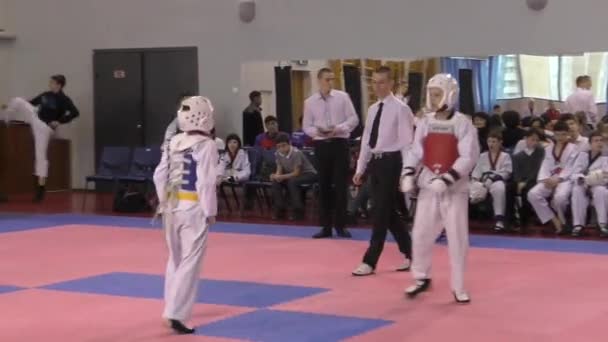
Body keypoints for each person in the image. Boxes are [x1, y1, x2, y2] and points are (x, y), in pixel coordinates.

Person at [400, 73, 479, 304]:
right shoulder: (425, 121)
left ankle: (459, 286)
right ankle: (421, 277)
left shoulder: (462, 123)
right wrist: (407, 173)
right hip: (428, 185)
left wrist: (447, 179)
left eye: (438, 94)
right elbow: (416, 151)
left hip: (454, 190)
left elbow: (468, 157)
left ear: (450, 95)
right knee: (421, 234)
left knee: (457, 239)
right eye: (431, 94)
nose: (433, 99)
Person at [153, 96, 219, 335]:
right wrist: (210, 211)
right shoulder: (207, 144)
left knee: (175, 259)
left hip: (171, 206)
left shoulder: (174, 141)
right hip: (193, 207)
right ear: (204, 117)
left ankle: (170, 306)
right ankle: (176, 314)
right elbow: (206, 181)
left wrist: (162, 203)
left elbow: (159, 175)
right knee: (191, 261)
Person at [351, 66, 413, 276]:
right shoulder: (372, 109)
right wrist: (360, 168)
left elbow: (406, 143)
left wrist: (407, 172)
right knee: (388, 213)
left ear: (391, 84)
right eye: (374, 82)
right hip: (376, 163)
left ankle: (370, 260)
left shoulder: (401, 109)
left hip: (392, 162)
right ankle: (413, 253)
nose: (377, 86)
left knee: (379, 212)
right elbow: (367, 142)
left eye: (382, 82)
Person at [1, 74, 79, 202]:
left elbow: (75, 112)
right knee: (18, 100)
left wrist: (59, 121)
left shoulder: (64, 99)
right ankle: (6, 119)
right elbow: (30, 103)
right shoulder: (45, 95)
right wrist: (11, 107)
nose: (50, 84)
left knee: (40, 156)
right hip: (36, 117)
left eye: (52, 82)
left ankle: (40, 189)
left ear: (59, 85)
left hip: (45, 127)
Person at [303, 67, 359, 238]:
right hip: (321, 145)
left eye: (332, 79)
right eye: (327, 79)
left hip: (339, 142)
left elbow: (354, 119)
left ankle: (341, 225)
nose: (330, 82)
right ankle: (325, 226)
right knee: (324, 185)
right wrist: (318, 132)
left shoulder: (342, 97)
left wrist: (339, 128)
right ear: (319, 80)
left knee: (341, 185)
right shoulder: (310, 102)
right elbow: (306, 126)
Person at [527, 121, 579, 234]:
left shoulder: (574, 148)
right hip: (549, 179)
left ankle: (563, 222)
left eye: (563, 134)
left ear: (568, 134)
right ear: (554, 134)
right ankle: (554, 220)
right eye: (558, 134)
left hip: (565, 179)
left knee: (560, 198)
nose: (560, 137)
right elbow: (545, 165)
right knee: (533, 194)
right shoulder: (548, 149)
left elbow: (571, 167)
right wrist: (545, 179)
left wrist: (559, 179)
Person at [270, 133, 318, 220]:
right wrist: (276, 176)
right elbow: (279, 169)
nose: (281, 149)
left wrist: (282, 177)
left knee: (292, 181)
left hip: (308, 174)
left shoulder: (296, 153)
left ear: (290, 143)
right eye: (279, 146)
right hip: (292, 175)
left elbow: (296, 173)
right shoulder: (277, 153)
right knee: (275, 182)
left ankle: (298, 210)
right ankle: (280, 208)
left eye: (284, 145)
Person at [570, 131, 608, 237]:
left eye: (601, 141)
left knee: (601, 191)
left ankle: (603, 224)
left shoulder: (606, 158)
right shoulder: (583, 156)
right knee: (577, 189)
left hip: (599, 186)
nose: (599, 143)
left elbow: (606, 177)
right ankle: (578, 225)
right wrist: (583, 179)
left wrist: (592, 178)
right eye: (596, 141)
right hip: (584, 184)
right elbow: (574, 173)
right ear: (590, 144)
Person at [509, 129, 545, 232]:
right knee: (509, 189)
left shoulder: (540, 151)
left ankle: (525, 222)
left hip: (534, 180)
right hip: (521, 180)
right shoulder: (518, 156)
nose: (534, 142)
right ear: (525, 139)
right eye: (532, 139)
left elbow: (537, 169)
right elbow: (516, 171)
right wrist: (519, 181)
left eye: (537, 140)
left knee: (527, 191)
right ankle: (510, 220)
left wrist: (525, 182)